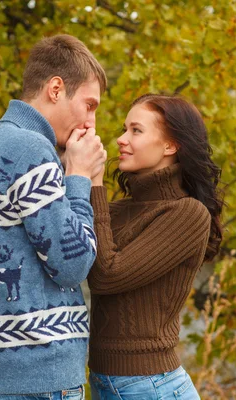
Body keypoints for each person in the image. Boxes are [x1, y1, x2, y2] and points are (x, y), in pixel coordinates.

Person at [0, 34, 107, 399]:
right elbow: (72, 265)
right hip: (46, 378)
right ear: (56, 89)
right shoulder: (33, 150)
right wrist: (79, 178)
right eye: (89, 105)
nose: (91, 122)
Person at [87, 94, 224, 399]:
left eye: (136, 131)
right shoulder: (116, 210)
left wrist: (95, 184)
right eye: (124, 129)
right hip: (111, 382)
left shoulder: (187, 214)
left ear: (170, 145)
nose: (121, 139)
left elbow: (105, 276)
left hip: (150, 386)